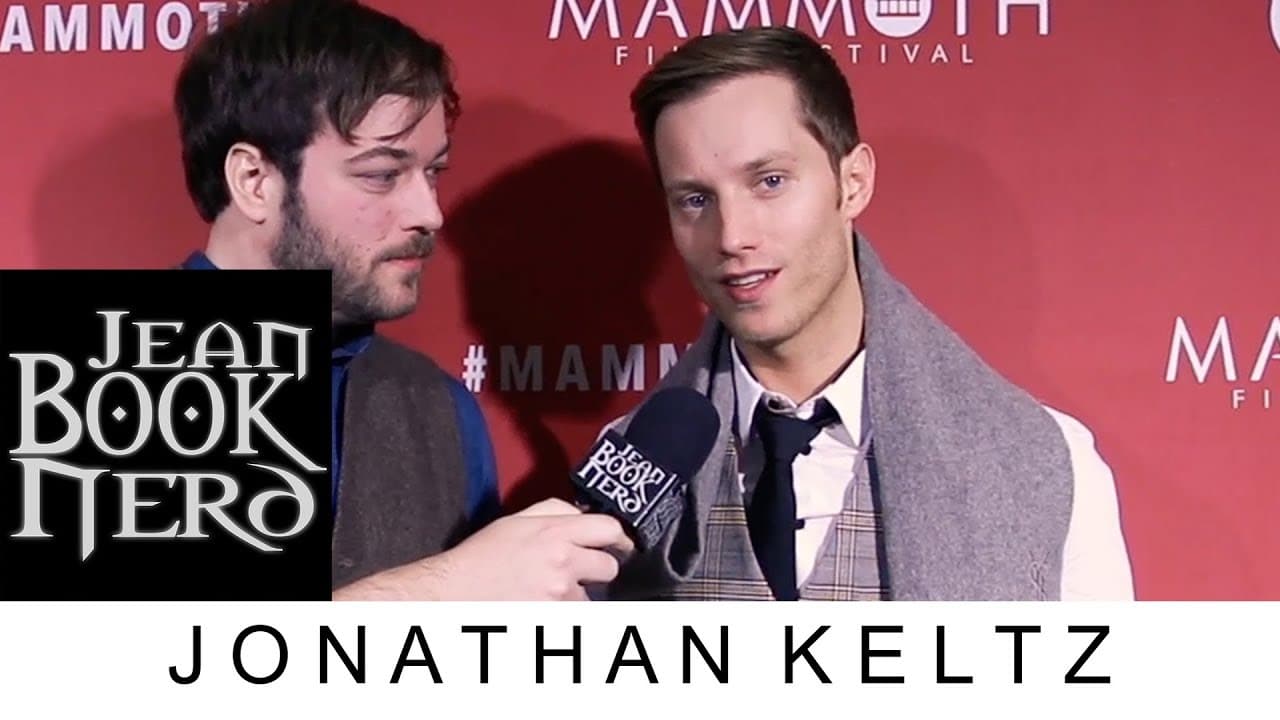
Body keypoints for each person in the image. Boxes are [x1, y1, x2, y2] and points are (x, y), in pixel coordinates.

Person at [603, 26, 1134, 601]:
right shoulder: (626, 471)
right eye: (696, 200)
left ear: (852, 183)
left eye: (770, 182)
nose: (732, 236)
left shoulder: (1045, 463)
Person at [172, 0, 631, 600]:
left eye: (432, 172)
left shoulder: (440, 410)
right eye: (381, 174)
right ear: (255, 181)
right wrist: (450, 588)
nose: (428, 214)